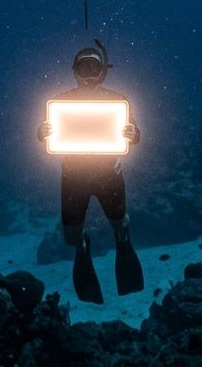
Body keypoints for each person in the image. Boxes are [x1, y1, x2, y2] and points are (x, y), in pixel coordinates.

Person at [36, 40, 143, 304]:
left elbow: (135, 134)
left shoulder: (119, 101)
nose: (87, 74)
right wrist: (42, 132)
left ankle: (122, 239)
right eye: (82, 68)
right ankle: (83, 246)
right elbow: (45, 134)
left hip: (109, 173)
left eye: (93, 68)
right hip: (73, 177)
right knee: (71, 236)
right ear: (74, 71)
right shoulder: (60, 103)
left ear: (103, 71)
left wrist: (133, 133)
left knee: (119, 223)